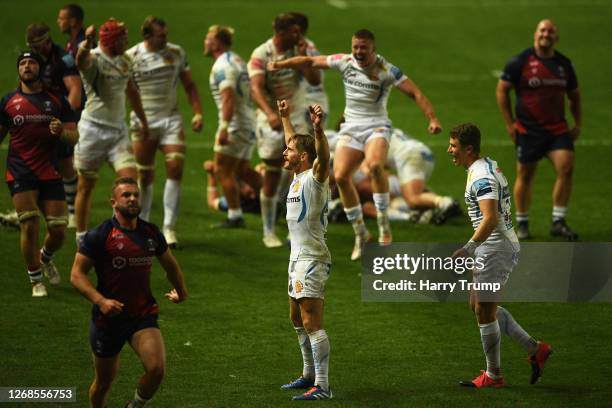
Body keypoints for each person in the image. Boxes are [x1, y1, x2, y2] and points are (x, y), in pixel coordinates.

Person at [270, 29, 442, 260]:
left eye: (364, 48)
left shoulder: (386, 70)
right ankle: (361, 234)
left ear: (373, 49)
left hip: (377, 125)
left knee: (374, 166)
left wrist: (432, 118)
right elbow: (311, 60)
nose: (359, 52)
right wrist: (282, 64)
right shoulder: (344, 62)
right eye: (356, 47)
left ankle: (383, 227)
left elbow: (416, 94)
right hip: (351, 126)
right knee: (340, 176)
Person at [447, 123, 551, 388]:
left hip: (495, 247)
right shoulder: (485, 165)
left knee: (484, 310)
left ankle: (494, 375)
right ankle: (534, 349)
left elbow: (490, 218)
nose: (450, 150)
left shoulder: (481, 177)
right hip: (493, 245)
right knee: (479, 306)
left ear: (469, 149)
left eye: (454, 146)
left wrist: (468, 249)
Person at [70, 177, 187, 408]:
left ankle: (134, 406)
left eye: (135, 194)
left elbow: (171, 266)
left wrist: (181, 292)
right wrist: (101, 301)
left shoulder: (150, 233)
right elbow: (76, 275)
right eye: (126, 195)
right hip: (108, 319)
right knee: (104, 383)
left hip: (142, 314)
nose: (132, 199)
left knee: (156, 369)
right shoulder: (100, 235)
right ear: (113, 202)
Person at [0, 51, 78, 296]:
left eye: (31, 62)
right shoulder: (8, 101)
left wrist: (60, 133)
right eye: (22, 63)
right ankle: (35, 280)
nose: (26, 66)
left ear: (39, 69)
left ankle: (45, 258)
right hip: (20, 171)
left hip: (49, 171)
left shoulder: (56, 100)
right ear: (18, 70)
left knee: (58, 231)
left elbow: (73, 136)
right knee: (29, 224)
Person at [496, 19, 581, 241]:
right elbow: (502, 90)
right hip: (528, 130)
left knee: (566, 167)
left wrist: (577, 123)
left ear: (556, 37)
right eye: (543, 30)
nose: (546, 34)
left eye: (551, 31)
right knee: (525, 175)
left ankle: (558, 221)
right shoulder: (520, 62)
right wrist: (510, 123)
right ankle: (522, 223)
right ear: (535, 35)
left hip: (557, 130)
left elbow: (574, 96)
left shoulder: (564, 65)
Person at [126, 16, 203, 247]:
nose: (166, 39)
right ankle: (144, 224)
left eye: (166, 34)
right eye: (161, 35)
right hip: (143, 121)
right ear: (148, 36)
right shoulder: (131, 57)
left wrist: (197, 112)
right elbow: (126, 91)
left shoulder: (176, 53)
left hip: (171, 119)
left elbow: (189, 85)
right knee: (145, 175)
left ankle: (169, 228)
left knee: (176, 165)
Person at [248, 13, 320, 248]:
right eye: (296, 31)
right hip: (270, 118)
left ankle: (295, 230)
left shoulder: (305, 48)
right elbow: (256, 89)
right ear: (283, 32)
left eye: (301, 31)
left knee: (301, 174)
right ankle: (268, 231)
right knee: (270, 174)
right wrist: (270, 113)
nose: (300, 35)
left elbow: (315, 79)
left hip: (297, 114)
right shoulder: (261, 54)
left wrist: (303, 57)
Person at [276, 99, 332, 400]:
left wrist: (318, 131)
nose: (285, 151)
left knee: (311, 321)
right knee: (296, 319)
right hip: (296, 259)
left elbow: (323, 157)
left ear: (304, 156)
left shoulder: (315, 178)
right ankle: (308, 374)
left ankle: (322, 386)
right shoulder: (297, 178)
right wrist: (285, 117)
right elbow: (292, 141)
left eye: (290, 150)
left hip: (312, 258)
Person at [75, 19, 147, 244]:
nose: (126, 42)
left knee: (130, 183)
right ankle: (82, 237)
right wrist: (86, 43)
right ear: (111, 41)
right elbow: (80, 60)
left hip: (118, 131)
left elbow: (131, 91)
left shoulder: (125, 60)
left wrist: (143, 120)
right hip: (92, 131)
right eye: (122, 39)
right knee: (86, 186)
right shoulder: (94, 59)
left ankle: (123, 232)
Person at [26, 22, 83, 228]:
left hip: (60, 116)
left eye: (36, 45)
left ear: (46, 41)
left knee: (66, 164)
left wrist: (66, 114)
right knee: (35, 163)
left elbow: (75, 90)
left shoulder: (64, 59)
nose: (32, 50)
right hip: (38, 117)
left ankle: (73, 213)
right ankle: (26, 211)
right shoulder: (31, 61)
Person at [205, 24, 261, 228]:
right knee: (243, 170)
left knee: (222, 169)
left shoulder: (223, 66)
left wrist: (224, 128)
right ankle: (276, 200)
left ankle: (235, 215)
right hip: (248, 122)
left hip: (236, 125)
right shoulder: (237, 60)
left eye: (208, 38)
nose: (205, 42)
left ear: (217, 43)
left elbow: (227, 99)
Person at [289, 12, 330, 126]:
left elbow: (314, 80)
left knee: (303, 142)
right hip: (315, 101)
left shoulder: (304, 49)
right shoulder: (309, 46)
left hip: (309, 104)